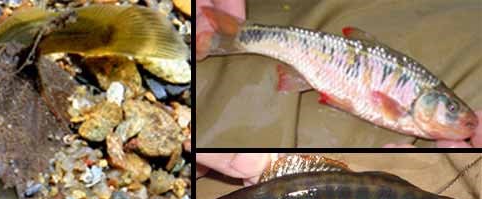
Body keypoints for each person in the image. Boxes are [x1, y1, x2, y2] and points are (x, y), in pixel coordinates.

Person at [196, 0, 482, 148]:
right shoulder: (406, 112)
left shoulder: (417, 117)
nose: (460, 118)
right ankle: (240, 34)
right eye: (452, 108)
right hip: (328, 62)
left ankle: (237, 34)